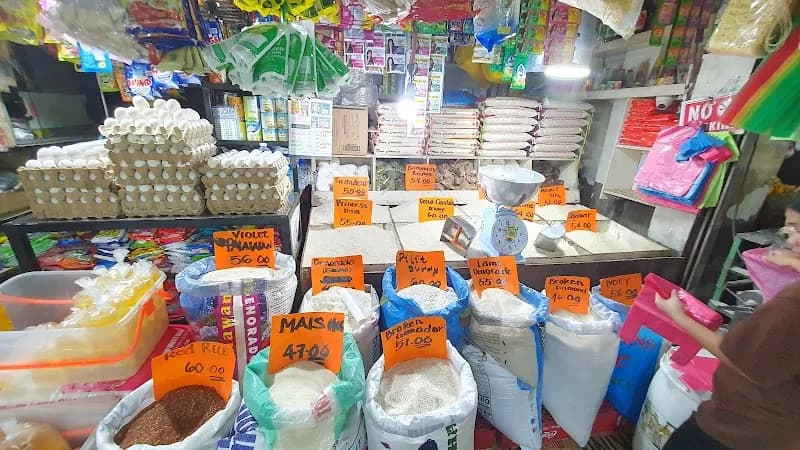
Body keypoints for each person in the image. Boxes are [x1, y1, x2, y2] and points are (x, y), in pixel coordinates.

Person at [657, 197, 800, 450]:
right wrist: (793, 262)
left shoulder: (791, 304)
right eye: (792, 229)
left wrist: (678, 316)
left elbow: (735, 356)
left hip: (742, 431)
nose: (792, 241)